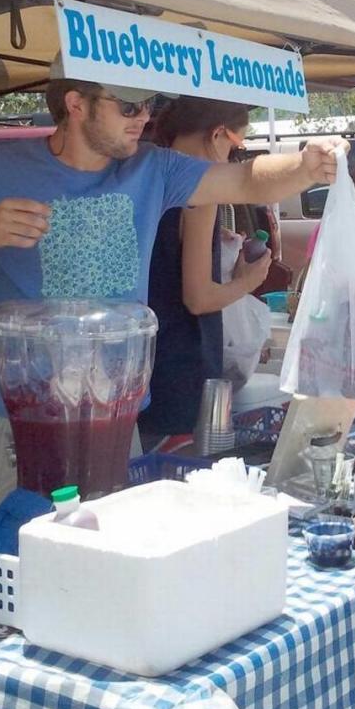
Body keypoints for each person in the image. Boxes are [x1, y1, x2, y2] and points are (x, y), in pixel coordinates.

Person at [0, 58, 348, 517]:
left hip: (117, 422)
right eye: (129, 106)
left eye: (149, 105)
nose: (144, 118)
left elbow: (243, 180)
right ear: (76, 104)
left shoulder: (153, 168)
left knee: (112, 569)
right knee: (16, 571)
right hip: (24, 427)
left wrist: (304, 167)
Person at [137, 98, 270, 449]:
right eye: (234, 147)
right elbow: (198, 298)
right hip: (182, 369)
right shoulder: (201, 190)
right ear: (216, 135)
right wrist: (248, 281)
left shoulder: (143, 177)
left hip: (139, 362)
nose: (231, 160)